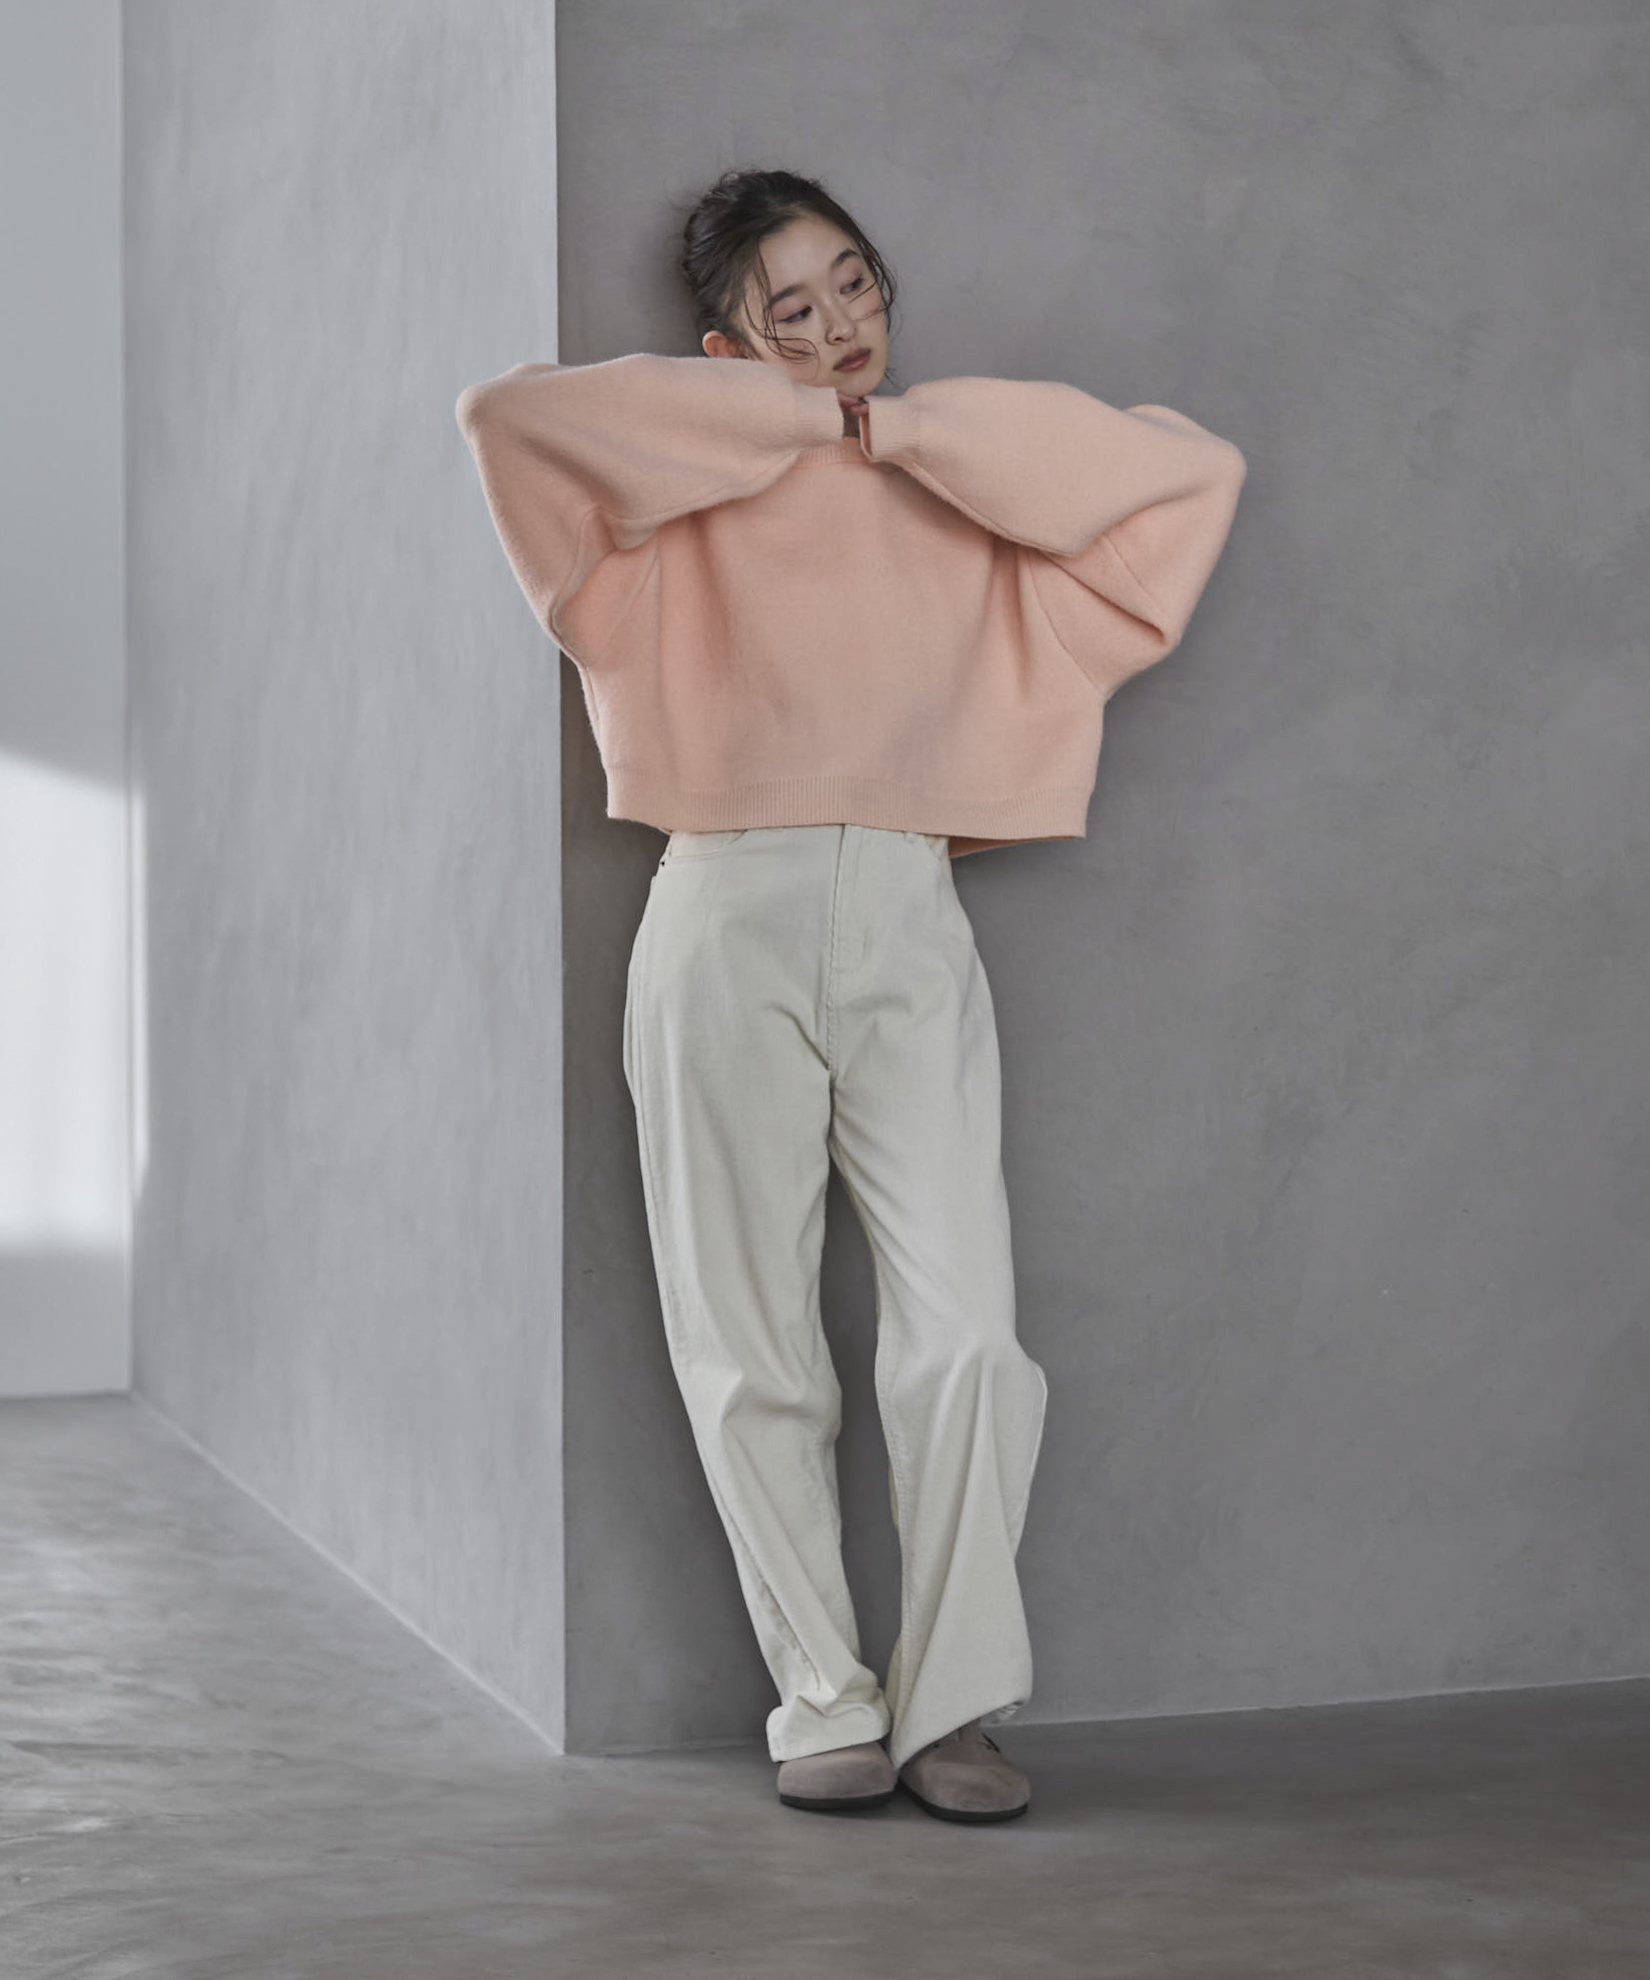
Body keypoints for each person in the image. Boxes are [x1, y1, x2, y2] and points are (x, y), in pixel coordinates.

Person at [454, 166, 1247, 1823]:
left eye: (854, 284)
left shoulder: (949, 480)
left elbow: (1190, 476)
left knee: (968, 1342)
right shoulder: (672, 509)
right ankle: (821, 1693)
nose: (837, 327)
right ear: (726, 347)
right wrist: (782, 418)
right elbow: (507, 420)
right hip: (718, 906)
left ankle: (951, 1705)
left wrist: (896, 432)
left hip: (904, 915)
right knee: (747, 1338)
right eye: (790, 309)